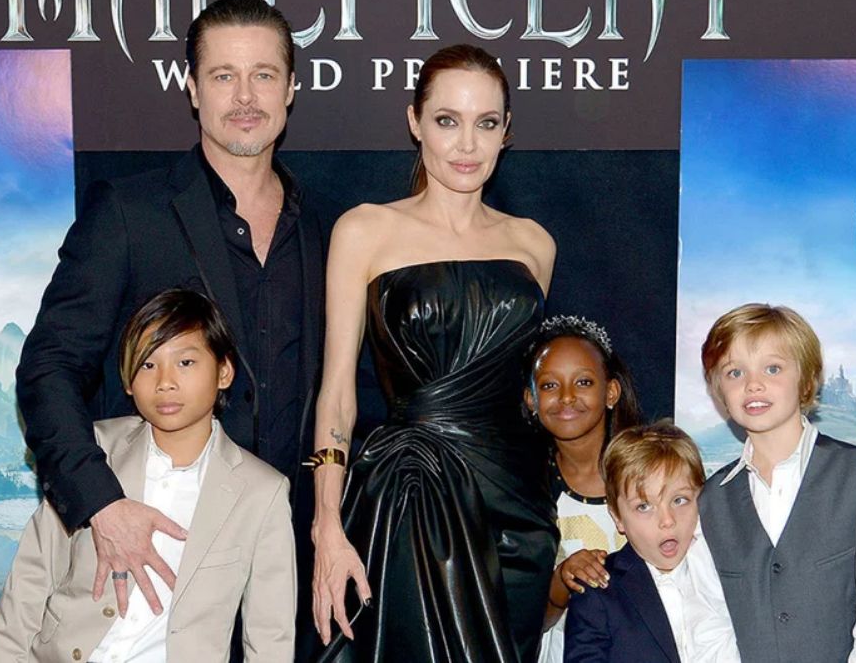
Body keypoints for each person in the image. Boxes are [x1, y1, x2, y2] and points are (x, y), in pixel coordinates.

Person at [14, 0, 324, 618]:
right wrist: (102, 504)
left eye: (264, 75)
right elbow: (49, 367)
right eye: (224, 76)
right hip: (151, 556)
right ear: (192, 89)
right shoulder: (129, 213)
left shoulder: (325, 227)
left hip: (286, 564)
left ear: (291, 88)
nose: (245, 97)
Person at [310, 44, 558, 662]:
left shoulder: (534, 245)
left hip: (518, 510)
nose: (467, 144)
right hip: (411, 497)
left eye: (486, 123)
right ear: (414, 122)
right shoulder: (364, 230)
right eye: (447, 120)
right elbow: (337, 392)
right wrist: (327, 525)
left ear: (506, 131)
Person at [0, 289, 295, 662]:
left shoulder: (261, 492)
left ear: (224, 371)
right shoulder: (90, 454)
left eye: (185, 362)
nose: (165, 381)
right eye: (147, 365)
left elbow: (270, 637)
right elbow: (30, 583)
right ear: (128, 380)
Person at [699, 303, 856, 662]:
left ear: (806, 379)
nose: (753, 384)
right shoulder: (711, 499)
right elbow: (708, 620)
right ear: (718, 390)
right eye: (734, 372)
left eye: (773, 368)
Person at [563, 421, 740, 663]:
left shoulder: (730, 570)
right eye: (644, 506)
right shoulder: (599, 590)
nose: (667, 521)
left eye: (679, 500)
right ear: (617, 517)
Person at [521, 315, 644, 663]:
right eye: (549, 385)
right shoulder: (520, 494)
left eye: (584, 382)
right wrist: (563, 580)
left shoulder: (651, 475)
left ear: (611, 392)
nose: (566, 397)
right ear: (530, 400)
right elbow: (521, 623)